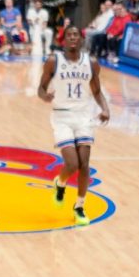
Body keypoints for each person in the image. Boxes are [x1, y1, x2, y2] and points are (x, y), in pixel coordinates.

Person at [37, 24, 111, 226]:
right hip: (61, 116)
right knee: (72, 164)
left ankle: (79, 206)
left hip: (84, 116)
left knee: (84, 163)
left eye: (75, 34)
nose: (72, 37)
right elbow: (41, 88)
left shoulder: (91, 63)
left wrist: (105, 109)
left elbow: (96, 91)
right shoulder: (54, 61)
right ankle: (60, 182)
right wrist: (45, 96)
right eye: (68, 34)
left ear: (81, 39)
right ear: (63, 39)